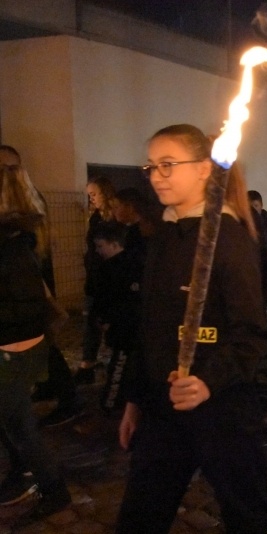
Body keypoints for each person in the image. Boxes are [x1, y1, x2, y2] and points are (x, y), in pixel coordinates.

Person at [115, 124, 267, 533]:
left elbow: (251, 333)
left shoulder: (229, 238)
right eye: (151, 166)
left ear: (206, 169)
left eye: (168, 164)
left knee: (249, 510)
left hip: (221, 408)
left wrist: (207, 380)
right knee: (142, 511)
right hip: (162, 406)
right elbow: (150, 327)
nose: (157, 175)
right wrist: (136, 399)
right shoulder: (164, 234)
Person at [0, 164, 72, 523]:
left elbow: (27, 306)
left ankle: (53, 488)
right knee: (11, 421)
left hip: (15, 346)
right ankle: (21, 473)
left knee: (19, 424)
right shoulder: (14, 241)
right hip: (13, 343)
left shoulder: (13, 246)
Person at [92, 222, 143, 413]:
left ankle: (110, 405)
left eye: (100, 246)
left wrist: (107, 319)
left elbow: (119, 301)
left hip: (124, 331)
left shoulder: (119, 268)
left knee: (118, 368)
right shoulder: (127, 264)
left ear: (114, 244)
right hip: (123, 329)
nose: (97, 251)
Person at [76, 175, 116, 385]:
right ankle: (88, 364)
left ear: (105, 193)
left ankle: (113, 364)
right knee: (90, 320)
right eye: (89, 195)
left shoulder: (115, 218)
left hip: (110, 278)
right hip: (95, 276)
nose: (91, 199)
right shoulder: (96, 218)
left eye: (94, 194)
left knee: (109, 322)